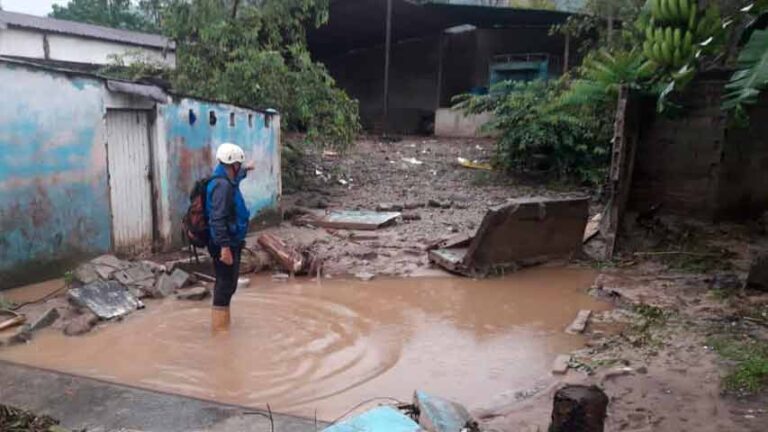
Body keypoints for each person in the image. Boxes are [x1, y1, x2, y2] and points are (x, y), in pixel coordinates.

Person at [207, 143, 252, 332]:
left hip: (230, 241)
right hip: (224, 244)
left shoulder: (227, 179)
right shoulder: (222, 187)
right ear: (232, 165)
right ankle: (220, 332)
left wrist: (246, 169)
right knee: (225, 285)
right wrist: (224, 248)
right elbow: (217, 219)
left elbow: (237, 178)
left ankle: (222, 326)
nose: (240, 169)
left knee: (229, 284)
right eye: (239, 166)